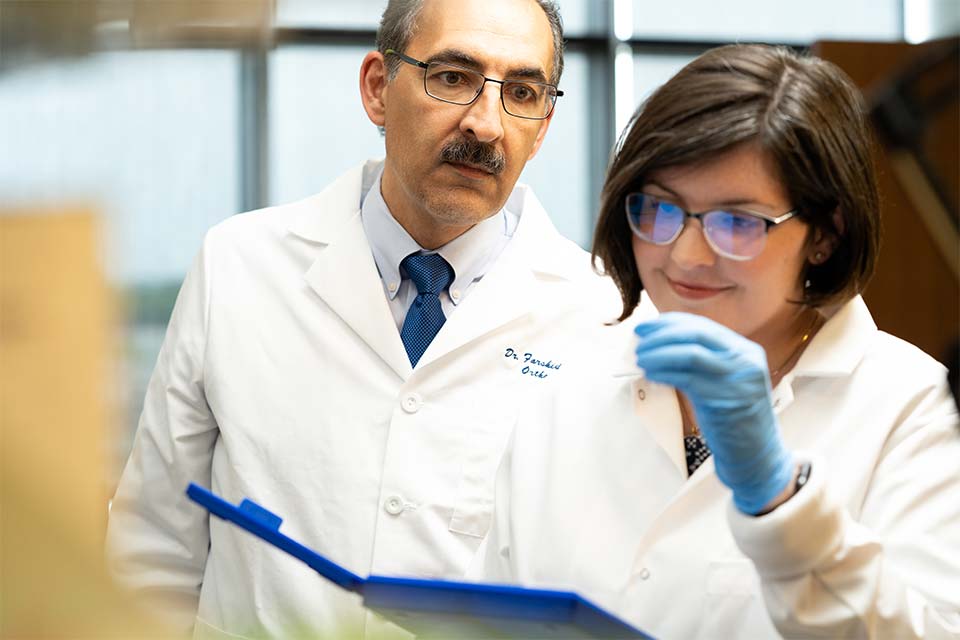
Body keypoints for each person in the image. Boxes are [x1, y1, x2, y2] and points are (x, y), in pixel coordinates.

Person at [105, 1, 624, 637]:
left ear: (543, 125)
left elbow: (610, 580)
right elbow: (153, 548)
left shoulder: (602, 315)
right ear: (378, 88)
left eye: (521, 91)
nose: (487, 124)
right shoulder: (238, 265)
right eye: (453, 77)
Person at [478, 44, 960, 638]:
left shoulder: (917, 412)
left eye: (737, 222)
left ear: (825, 236)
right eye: (657, 210)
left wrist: (780, 499)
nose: (684, 255)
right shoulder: (566, 395)